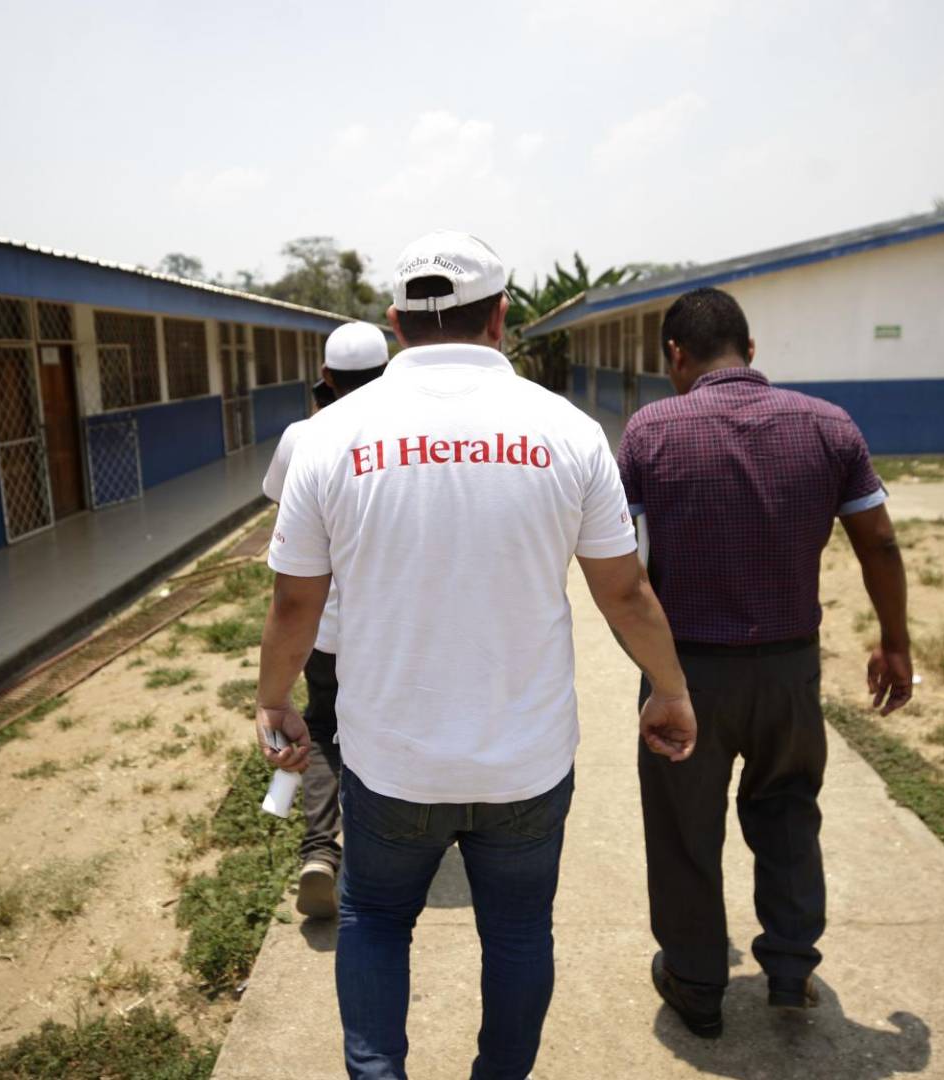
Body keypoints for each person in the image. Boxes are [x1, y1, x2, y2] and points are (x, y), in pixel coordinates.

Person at [253, 231, 698, 1080]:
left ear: (395, 324)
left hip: (391, 762)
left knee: (376, 920)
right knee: (521, 932)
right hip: (524, 764)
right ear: (501, 318)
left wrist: (275, 702)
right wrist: (670, 689)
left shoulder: (330, 437)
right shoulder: (567, 432)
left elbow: (294, 602)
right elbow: (626, 594)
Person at [617, 286, 912, 1039]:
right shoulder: (827, 425)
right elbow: (877, 540)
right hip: (789, 670)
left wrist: (654, 672)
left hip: (687, 674)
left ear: (676, 358)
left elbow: (630, 570)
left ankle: (697, 983)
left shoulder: (651, 432)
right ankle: (788, 969)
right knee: (786, 812)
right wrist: (894, 639)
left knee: (686, 828)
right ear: (751, 352)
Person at [260, 319, 391, 920]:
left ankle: (318, 850)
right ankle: (388, 843)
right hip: (391, 627)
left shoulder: (303, 435)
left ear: (326, 378)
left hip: (324, 630)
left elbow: (282, 512)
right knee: (387, 728)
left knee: (323, 729)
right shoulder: (407, 432)